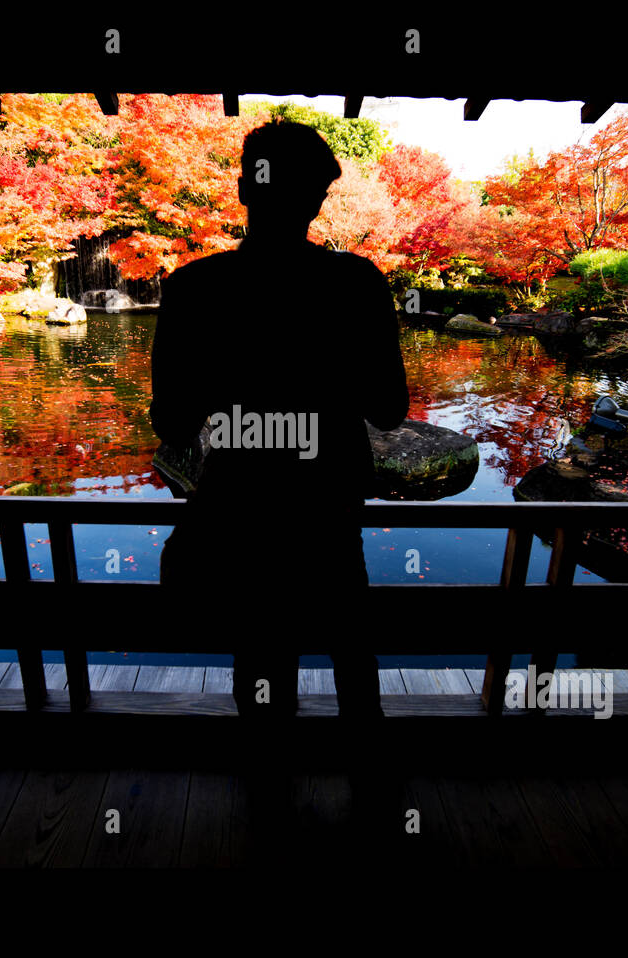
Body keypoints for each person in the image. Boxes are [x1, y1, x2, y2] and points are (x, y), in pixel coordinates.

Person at [149, 118, 409, 723]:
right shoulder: (357, 283)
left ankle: (269, 794)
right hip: (329, 507)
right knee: (351, 652)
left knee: (262, 657)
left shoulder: (192, 287)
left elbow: (173, 420)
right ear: (318, 198)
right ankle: (371, 786)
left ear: (245, 190)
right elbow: (389, 409)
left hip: (241, 509)